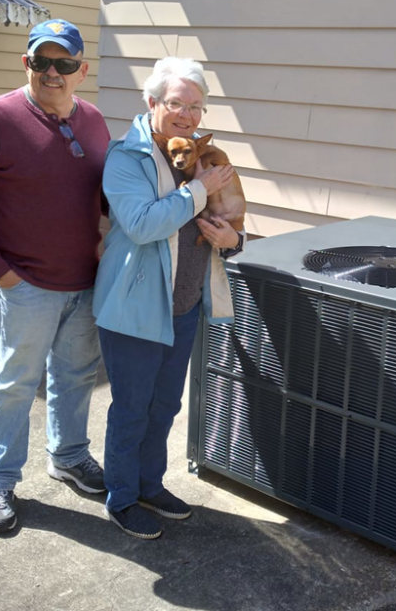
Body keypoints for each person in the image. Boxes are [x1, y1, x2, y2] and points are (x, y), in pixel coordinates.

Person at [0, 18, 110, 534]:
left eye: (64, 64)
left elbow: (107, 195)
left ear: (82, 70)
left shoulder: (96, 121)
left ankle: (68, 456)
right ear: (27, 64)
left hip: (86, 282)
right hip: (27, 286)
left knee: (77, 377)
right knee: (17, 384)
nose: (52, 72)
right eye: (42, 61)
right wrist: (2, 273)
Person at [93, 56, 244, 539]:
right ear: (152, 102)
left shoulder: (201, 155)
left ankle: (149, 484)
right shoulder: (127, 157)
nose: (187, 114)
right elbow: (142, 226)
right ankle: (120, 496)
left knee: (165, 406)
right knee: (132, 406)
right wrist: (199, 189)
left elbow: (228, 219)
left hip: (185, 305)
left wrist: (232, 241)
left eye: (196, 106)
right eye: (176, 103)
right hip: (135, 308)